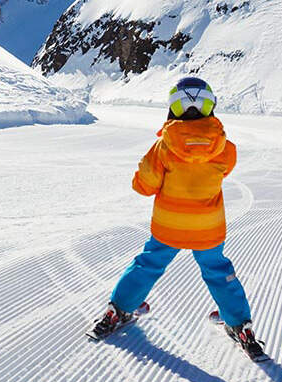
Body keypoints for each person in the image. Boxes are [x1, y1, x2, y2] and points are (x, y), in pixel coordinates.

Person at [87, 77, 265, 360]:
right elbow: (222, 171)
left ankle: (119, 308)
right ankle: (238, 323)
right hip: (207, 230)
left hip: (168, 228)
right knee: (218, 271)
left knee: (148, 263)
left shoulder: (164, 147)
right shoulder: (226, 149)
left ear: (174, 109)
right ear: (210, 107)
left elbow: (144, 185)